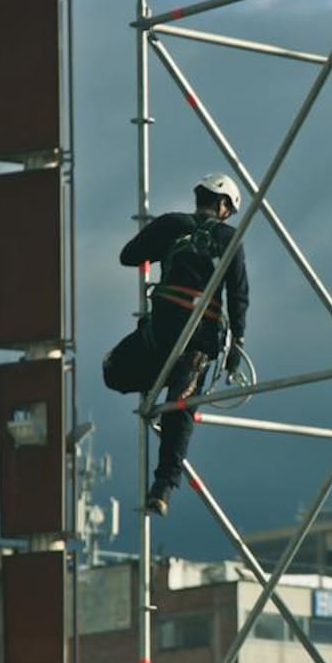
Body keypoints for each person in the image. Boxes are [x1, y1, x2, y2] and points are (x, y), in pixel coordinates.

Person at [103, 173, 249, 517]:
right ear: (224, 205)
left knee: (113, 371)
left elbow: (129, 256)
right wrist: (236, 348)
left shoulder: (173, 224)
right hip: (199, 341)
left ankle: (167, 382)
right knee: (179, 406)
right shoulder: (231, 238)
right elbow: (238, 296)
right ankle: (164, 487)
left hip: (160, 334)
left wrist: (159, 239)